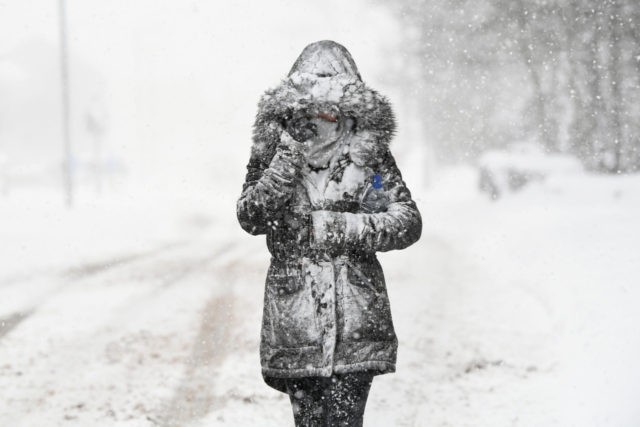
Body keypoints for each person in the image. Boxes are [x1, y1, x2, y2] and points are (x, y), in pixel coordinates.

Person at [236, 40, 422, 426]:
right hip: (295, 321)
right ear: (295, 103)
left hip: (357, 318)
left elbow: (406, 221)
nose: (322, 112)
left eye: (333, 101)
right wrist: (287, 156)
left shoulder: (368, 153)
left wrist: (341, 228)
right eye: (311, 101)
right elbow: (251, 216)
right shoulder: (274, 151)